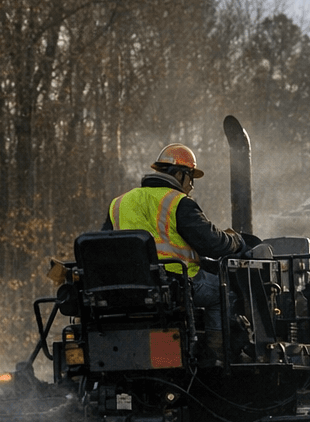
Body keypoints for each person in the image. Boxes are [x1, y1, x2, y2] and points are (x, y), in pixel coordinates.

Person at [106, 143, 253, 352]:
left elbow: (105, 245)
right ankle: (217, 356)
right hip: (175, 282)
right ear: (179, 174)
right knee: (223, 293)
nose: (191, 185)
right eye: (191, 178)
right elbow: (212, 243)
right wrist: (238, 242)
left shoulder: (120, 203)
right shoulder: (178, 202)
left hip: (128, 286)